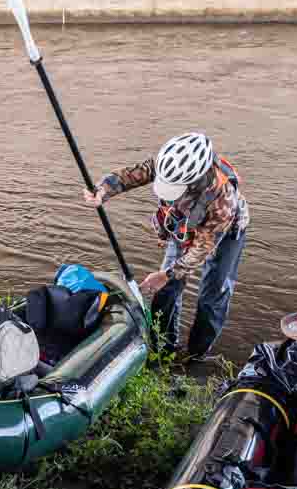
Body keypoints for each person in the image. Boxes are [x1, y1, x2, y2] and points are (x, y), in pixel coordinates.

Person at [83, 132, 249, 360]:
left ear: (195, 179)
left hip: (223, 233)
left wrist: (167, 274)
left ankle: (196, 354)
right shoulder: (167, 164)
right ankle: (164, 349)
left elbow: (202, 249)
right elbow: (129, 176)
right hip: (184, 223)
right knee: (166, 291)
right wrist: (102, 190)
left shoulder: (223, 200)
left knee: (212, 296)